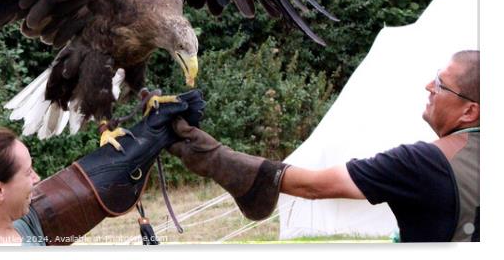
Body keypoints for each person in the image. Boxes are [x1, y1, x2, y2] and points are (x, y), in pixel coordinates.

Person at [168, 50, 480, 242]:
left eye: (440, 84)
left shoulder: (422, 163)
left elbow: (314, 186)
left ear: (470, 111)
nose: (428, 86)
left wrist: (212, 157)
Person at [0, 90, 205, 246]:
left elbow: (84, 188)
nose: (37, 178)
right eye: (28, 172)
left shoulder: (16, 223)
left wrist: (151, 133)